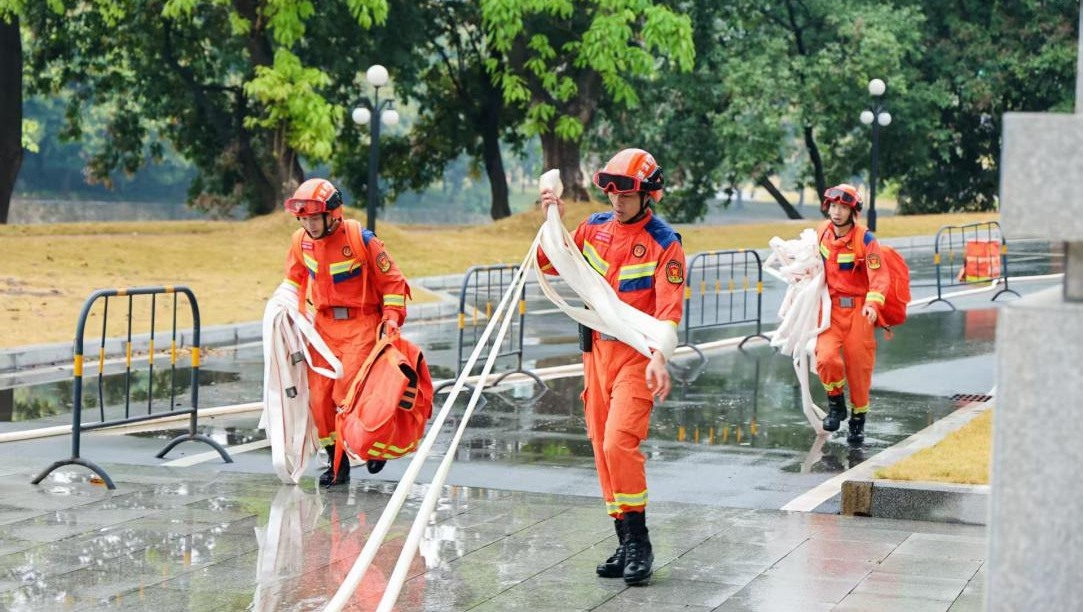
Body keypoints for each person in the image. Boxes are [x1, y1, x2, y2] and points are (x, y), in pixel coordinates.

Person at [538, 148, 685, 585]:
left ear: (647, 195)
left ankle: (640, 542)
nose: (617, 201)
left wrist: (661, 356)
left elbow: (669, 309)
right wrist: (554, 222)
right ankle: (623, 540)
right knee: (602, 447)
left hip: (636, 358)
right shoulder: (594, 228)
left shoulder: (664, 241)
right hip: (595, 356)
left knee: (619, 442)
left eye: (626, 193)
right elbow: (552, 261)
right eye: (612, 192)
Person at [282, 178, 410, 486]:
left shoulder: (361, 239)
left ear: (333, 214)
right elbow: (294, 279)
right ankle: (337, 464)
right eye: (305, 218)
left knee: (348, 394)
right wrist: (282, 312)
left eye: (315, 217)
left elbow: (393, 282)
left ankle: (374, 444)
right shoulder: (301, 242)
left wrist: (391, 317)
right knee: (320, 400)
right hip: (323, 328)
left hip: (362, 326)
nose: (310, 224)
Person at [815, 183, 889, 445]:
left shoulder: (865, 240)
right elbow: (812, 262)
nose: (836, 212)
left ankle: (858, 421)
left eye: (843, 207)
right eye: (833, 206)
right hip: (831, 310)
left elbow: (878, 276)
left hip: (859, 311)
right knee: (825, 358)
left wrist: (872, 305)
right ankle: (836, 405)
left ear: (852, 211)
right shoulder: (822, 233)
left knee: (859, 369)